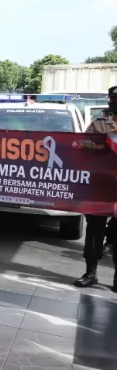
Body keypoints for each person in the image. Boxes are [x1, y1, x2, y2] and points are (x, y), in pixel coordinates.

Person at [73, 85, 117, 290]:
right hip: (99, 188)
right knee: (93, 233)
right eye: (112, 99)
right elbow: (83, 147)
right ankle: (91, 273)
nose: (114, 102)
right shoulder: (99, 124)